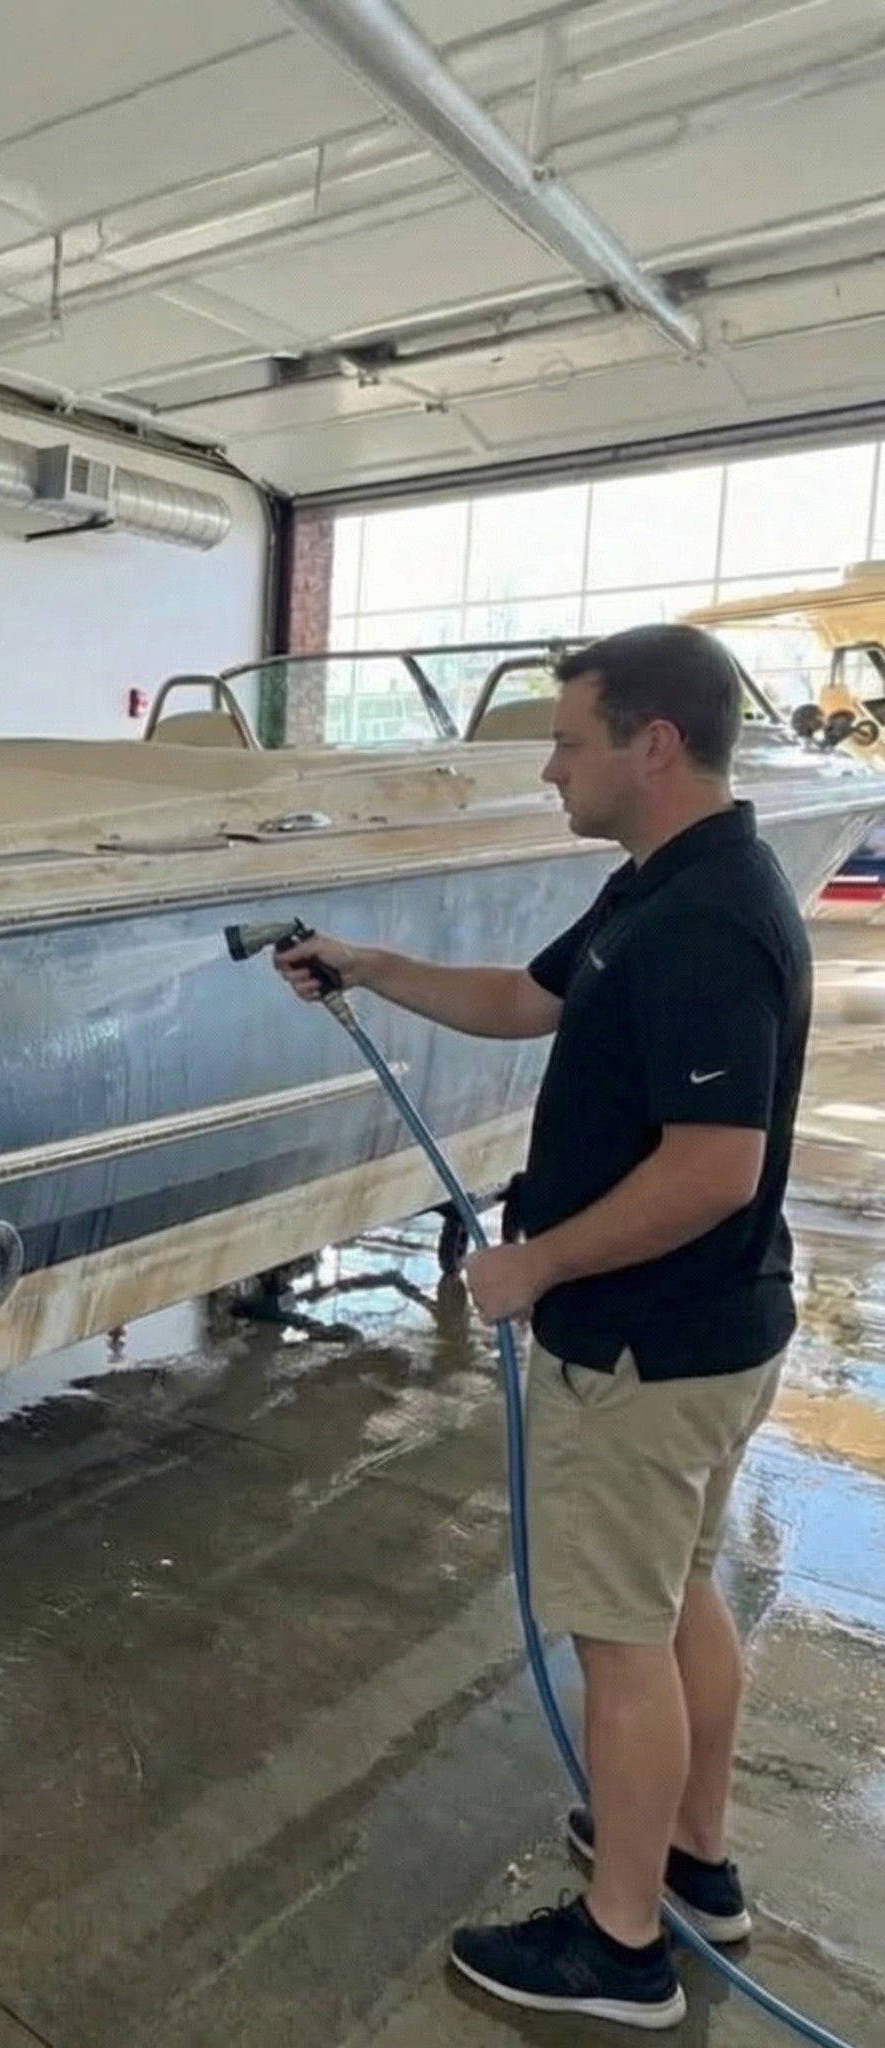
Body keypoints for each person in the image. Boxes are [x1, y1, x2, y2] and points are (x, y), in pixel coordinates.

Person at [275, 623, 808, 2031]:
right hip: (706, 1331)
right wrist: (368, 964)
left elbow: (715, 1167)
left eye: (570, 742)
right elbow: (528, 998)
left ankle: (623, 1948)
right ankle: (692, 1863)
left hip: (646, 1346)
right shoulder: (662, 883)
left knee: (619, 1641)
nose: (552, 769)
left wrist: (538, 1265)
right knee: (675, 1598)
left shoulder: (704, 920)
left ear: (654, 744)